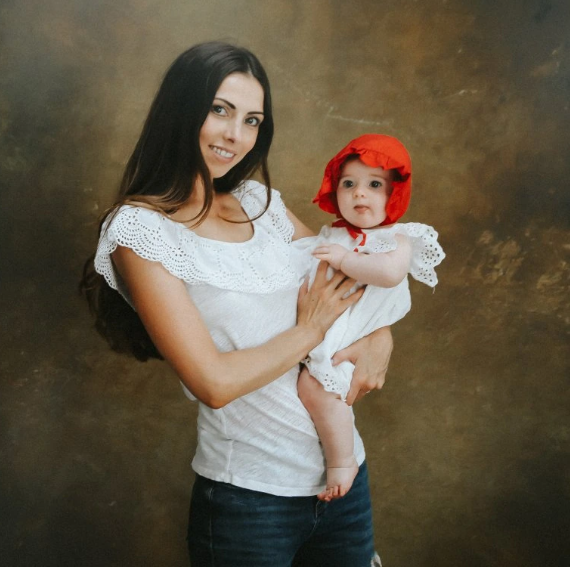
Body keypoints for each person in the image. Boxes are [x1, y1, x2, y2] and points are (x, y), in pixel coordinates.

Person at [80, 42, 393, 567]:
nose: (235, 135)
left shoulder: (258, 202)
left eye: (252, 121)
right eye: (220, 110)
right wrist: (309, 331)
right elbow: (214, 382)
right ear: (182, 108)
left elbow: (352, 279)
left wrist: (381, 336)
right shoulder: (139, 230)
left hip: (344, 483)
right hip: (249, 502)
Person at [294, 134, 445, 502]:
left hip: (355, 327)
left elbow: (390, 274)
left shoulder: (397, 237)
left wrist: (345, 260)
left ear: (394, 194)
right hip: (327, 322)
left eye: (374, 185)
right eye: (348, 184)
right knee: (308, 384)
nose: (359, 193)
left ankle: (342, 461)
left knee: (316, 388)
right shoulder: (333, 234)